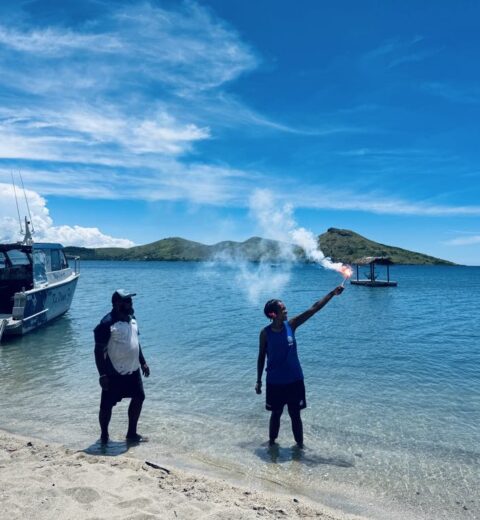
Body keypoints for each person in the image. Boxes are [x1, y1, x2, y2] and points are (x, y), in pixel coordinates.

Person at [255, 286, 344, 448]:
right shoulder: (265, 333)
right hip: (275, 382)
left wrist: (332, 293)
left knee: (295, 415)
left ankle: (300, 450)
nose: (287, 311)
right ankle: (272, 446)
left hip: (295, 380)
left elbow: (314, 309)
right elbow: (261, 357)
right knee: (276, 414)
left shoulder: (292, 325)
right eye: (283, 309)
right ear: (273, 314)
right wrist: (258, 381)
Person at [94, 289, 150, 443]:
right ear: (117, 304)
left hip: (133, 370)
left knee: (139, 397)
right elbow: (98, 351)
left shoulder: (132, 319)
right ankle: (104, 435)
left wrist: (143, 362)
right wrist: (102, 375)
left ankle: (131, 433)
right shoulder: (106, 324)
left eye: (130, 301)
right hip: (113, 373)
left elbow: (136, 343)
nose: (131, 304)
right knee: (106, 406)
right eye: (127, 301)